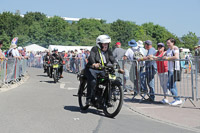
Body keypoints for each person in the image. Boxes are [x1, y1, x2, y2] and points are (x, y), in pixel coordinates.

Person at [85, 35, 124, 105]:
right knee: (93, 81)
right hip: (92, 68)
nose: (106, 45)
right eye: (104, 44)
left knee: (109, 81)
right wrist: (94, 63)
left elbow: (113, 59)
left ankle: (106, 99)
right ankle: (89, 99)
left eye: (107, 44)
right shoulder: (95, 49)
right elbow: (91, 57)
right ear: (99, 44)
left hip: (103, 69)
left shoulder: (108, 51)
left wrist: (118, 68)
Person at [162, 38, 182, 106]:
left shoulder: (175, 48)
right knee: (173, 85)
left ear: (173, 43)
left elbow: (176, 57)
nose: (167, 44)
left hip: (174, 69)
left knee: (169, 85)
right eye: (167, 43)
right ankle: (176, 99)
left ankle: (177, 99)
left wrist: (167, 58)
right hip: (170, 69)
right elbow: (163, 56)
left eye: (169, 43)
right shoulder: (168, 50)